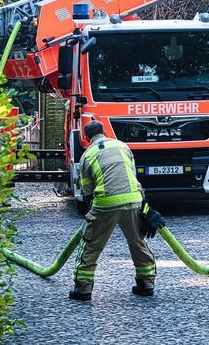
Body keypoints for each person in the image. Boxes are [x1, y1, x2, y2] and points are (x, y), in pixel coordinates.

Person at [70, 120, 163, 301]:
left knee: (90, 245)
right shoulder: (122, 146)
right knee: (138, 242)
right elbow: (132, 177)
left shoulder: (87, 156)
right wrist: (146, 209)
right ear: (104, 131)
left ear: (87, 137)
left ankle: (83, 289)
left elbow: (87, 191)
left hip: (105, 202)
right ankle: (146, 284)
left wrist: (92, 216)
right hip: (133, 200)